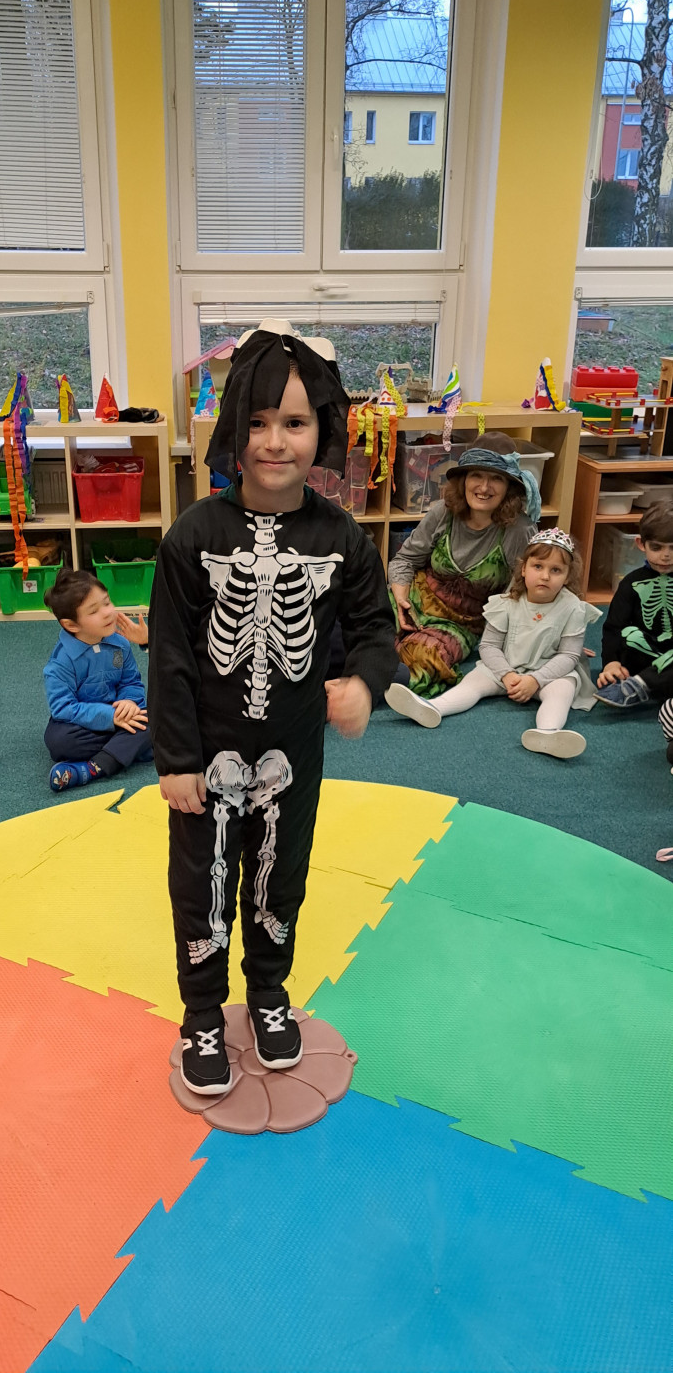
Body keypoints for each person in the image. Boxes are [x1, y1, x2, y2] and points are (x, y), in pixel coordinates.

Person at [147, 319, 397, 1097]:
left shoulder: (341, 536)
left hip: (293, 751)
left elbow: (375, 627)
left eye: (294, 423)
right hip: (208, 752)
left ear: (322, 431)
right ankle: (201, 1012)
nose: (275, 442)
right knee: (203, 884)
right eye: (257, 423)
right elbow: (170, 655)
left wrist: (364, 682)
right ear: (233, 429)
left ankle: (267, 994)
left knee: (278, 877)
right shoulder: (193, 536)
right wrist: (176, 759)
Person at [384, 529, 600, 759]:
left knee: (562, 690)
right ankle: (434, 707)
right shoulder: (507, 603)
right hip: (505, 667)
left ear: (567, 576)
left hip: (548, 674)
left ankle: (547, 732)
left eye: (556, 570)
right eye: (538, 566)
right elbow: (488, 646)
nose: (545, 576)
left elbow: (568, 656)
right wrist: (506, 674)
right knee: (473, 683)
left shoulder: (573, 608)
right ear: (524, 569)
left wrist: (535, 680)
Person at [385, 432, 540, 703]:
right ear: (464, 480)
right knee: (359, 626)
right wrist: (400, 600)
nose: (484, 486)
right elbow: (405, 559)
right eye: (476, 475)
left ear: (509, 488)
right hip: (414, 598)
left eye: (496, 478)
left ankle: (369, 683)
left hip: (461, 623)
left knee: (424, 658)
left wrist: (555, 635)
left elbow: (526, 592)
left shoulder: (518, 530)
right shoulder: (443, 512)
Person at [42, 569, 152, 793]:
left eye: (107, 602)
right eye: (94, 611)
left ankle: (92, 768)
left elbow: (130, 682)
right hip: (83, 724)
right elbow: (64, 708)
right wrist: (110, 717)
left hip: (123, 716)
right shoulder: (60, 663)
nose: (108, 612)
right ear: (72, 625)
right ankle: (127, 751)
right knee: (59, 741)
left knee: (157, 718)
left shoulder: (120, 645)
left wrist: (130, 702)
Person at [594, 504, 673, 721]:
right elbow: (613, 627)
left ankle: (641, 685)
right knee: (629, 634)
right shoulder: (631, 583)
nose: (666, 556)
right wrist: (611, 662)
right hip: (643, 656)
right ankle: (651, 683)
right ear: (640, 544)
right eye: (656, 548)